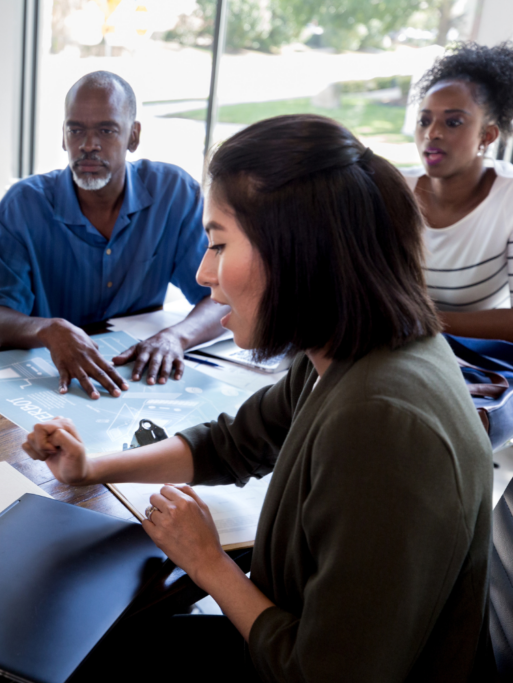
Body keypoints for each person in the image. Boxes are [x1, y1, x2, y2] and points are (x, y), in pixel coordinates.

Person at [25, 115, 494, 680]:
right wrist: (90, 468)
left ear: (300, 252)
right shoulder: (345, 348)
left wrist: (210, 564)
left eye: (219, 243)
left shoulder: (383, 423)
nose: (203, 272)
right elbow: (231, 445)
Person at [0, 71, 226, 400]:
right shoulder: (22, 205)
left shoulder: (174, 193)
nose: (88, 145)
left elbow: (219, 295)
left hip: (136, 376)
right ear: (63, 137)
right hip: (47, 380)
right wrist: (48, 329)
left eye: (106, 130)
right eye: (75, 130)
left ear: (133, 136)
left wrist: (177, 337)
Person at [404, 41, 513, 340]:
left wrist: (419, 322)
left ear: (487, 136)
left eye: (453, 122)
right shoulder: (395, 189)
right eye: (424, 120)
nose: (432, 133)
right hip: (395, 350)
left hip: (482, 365)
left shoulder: (508, 199)